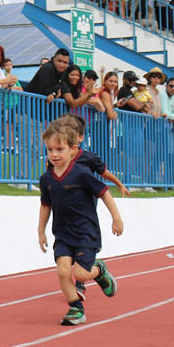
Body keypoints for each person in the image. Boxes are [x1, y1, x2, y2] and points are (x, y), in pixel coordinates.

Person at [37, 117, 124, 326]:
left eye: (59, 149)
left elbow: (104, 194)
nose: (54, 155)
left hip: (86, 232)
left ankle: (99, 270)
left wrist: (116, 218)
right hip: (63, 233)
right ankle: (75, 307)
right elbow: (45, 205)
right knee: (63, 271)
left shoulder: (82, 174)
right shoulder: (46, 179)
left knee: (82, 274)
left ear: (73, 149)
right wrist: (41, 231)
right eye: (50, 150)